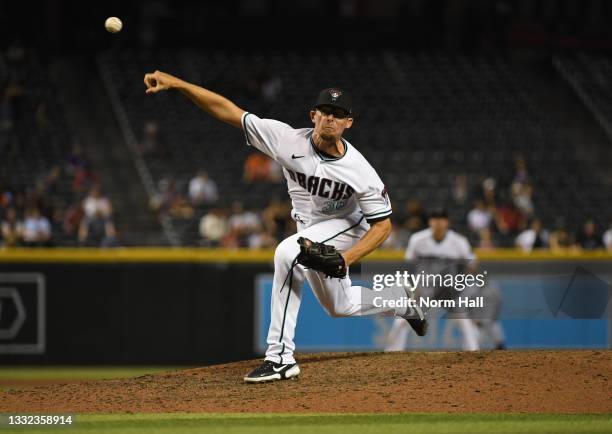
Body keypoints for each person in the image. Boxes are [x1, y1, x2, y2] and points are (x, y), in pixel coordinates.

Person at [144, 70, 426, 383]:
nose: (330, 118)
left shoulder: (360, 171)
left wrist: (347, 258)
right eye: (325, 112)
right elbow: (229, 112)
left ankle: (280, 358)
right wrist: (179, 84)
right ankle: (401, 300)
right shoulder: (285, 139)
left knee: (287, 253)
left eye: (339, 114)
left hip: (349, 225)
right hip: (310, 227)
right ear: (313, 115)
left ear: (349, 123)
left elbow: (383, 226)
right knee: (339, 305)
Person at [384, 209, 481, 352]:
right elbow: (410, 265)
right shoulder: (418, 239)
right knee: (404, 317)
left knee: (463, 318)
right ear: (430, 221)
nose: (438, 222)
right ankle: (392, 352)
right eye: (435, 218)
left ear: (447, 222)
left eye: (441, 218)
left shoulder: (459, 241)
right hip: (424, 288)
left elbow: (472, 265)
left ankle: (473, 351)